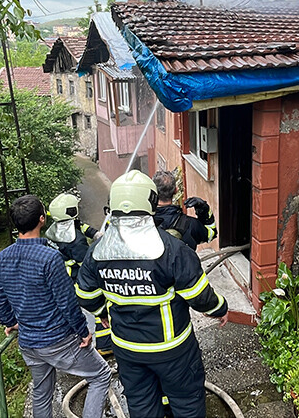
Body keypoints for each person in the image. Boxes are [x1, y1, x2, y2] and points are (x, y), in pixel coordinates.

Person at [76, 170, 229, 418]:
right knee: (187, 402)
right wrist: (220, 309)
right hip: (172, 348)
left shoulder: (97, 252)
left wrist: (102, 313)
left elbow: (84, 293)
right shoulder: (173, 250)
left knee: (142, 405)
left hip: (127, 348)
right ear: (151, 202)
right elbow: (200, 296)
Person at [0, 195, 111, 418]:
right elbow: (66, 302)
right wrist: (83, 332)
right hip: (58, 341)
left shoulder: (3, 257)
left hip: (29, 344)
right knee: (101, 375)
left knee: (42, 392)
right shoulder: (50, 258)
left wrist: (11, 322)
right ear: (42, 219)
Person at [45, 192, 113, 356]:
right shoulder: (76, 242)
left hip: (58, 278)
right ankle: (105, 344)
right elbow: (87, 266)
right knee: (99, 303)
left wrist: (95, 233)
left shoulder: (57, 228)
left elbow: (80, 226)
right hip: (74, 278)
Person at [152, 170, 217, 250]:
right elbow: (211, 234)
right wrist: (203, 209)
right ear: (176, 190)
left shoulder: (144, 221)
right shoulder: (190, 224)